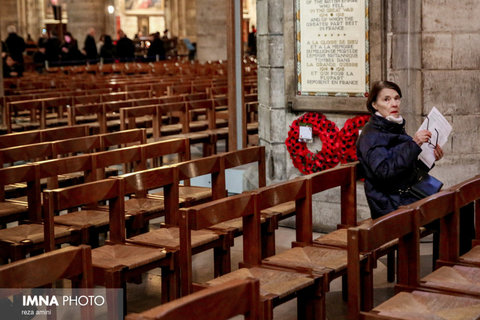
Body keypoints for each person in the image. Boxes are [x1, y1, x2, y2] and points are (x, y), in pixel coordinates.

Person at [356, 80, 444, 219]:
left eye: (396, 98)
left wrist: (431, 157)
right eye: (386, 99)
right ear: (374, 105)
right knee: (451, 212)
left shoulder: (392, 126)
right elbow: (385, 172)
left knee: (459, 204)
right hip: (389, 203)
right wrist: (414, 144)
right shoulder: (371, 136)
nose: (394, 103)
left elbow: (407, 169)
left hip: (407, 193)